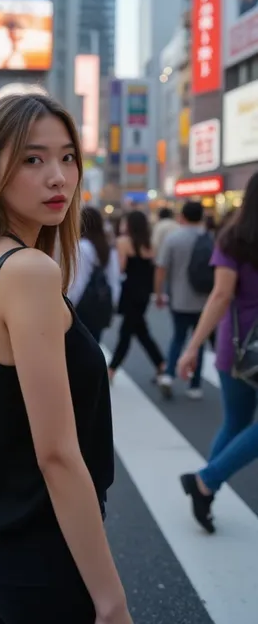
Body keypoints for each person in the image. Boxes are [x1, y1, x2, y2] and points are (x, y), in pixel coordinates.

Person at [0, 94, 132, 624]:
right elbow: (57, 455)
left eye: (67, 157)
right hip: (39, 552)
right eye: (32, 159)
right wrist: (110, 599)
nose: (59, 177)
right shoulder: (29, 272)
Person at [177, 172, 258, 534]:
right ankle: (206, 482)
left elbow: (221, 295)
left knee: (235, 422)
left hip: (237, 348)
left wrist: (193, 347)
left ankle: (205, 487)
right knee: (238, 425)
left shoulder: (232, 239)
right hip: (243, 348)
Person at [155, 201, 210, 400]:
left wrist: (159, 293)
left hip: (179, 298)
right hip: (205, 300)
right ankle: (195, 386)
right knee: (199, 342)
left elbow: (161, 268)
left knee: (178, 337)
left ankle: (169, 374)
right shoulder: (209, 239)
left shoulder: (174, 239)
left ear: (183, 216)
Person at [108, 210, 164, 383]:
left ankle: (111, 370)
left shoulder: (123, 242)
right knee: (140, 331)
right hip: (144, 293)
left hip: (130, 292)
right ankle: (160, 363)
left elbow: (120, 268)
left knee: (126, 332)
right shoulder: (150, 243)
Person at [68, 206, 121, 343]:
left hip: (83, 307)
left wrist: (70, 306)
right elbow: (114, 279)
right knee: (95, 345)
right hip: (101, 305)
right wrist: (112, 304)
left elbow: (78, 281)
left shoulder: (82, 247)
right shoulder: (107, 247)